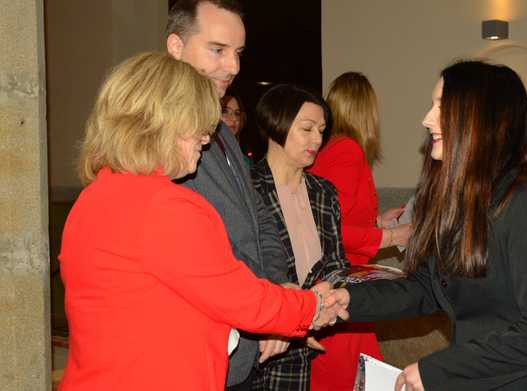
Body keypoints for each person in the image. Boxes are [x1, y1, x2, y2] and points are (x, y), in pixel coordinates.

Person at [58, 52, 344, 391]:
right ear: (161, 124)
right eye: (198, 125)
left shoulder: (95, 196)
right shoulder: (163, 205)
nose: (206, 139)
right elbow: (244, 299)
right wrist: (314, 305)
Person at [330, 60, 527, 391]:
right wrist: (347, 299)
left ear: (481, 120)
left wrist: (438, 370)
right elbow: (424, 288)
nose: (426, 119)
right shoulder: (459, 204)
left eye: (441, 107)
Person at [166, 1, 293, 388]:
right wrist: (276, 309)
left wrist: (279, 290)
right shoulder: (160, 138)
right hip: (191, 358)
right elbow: (198, 255)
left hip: (244, 350)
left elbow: (261, 222)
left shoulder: (221, 131)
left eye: (238, 53)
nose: (234, 67)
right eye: (218, 50)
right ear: (176, 47)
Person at [307, 71, 412, 390]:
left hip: (337, 285)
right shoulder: (348, 152)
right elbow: (328, 227)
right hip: (340, 286)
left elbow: (338, 214)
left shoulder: (332, 151)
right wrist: (393, 236)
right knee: (353, 378)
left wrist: (379, 222)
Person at [250, 84, 350, 391]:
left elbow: (336, 263)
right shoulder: (248, 187)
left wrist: (328, 297)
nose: (317, 140)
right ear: (275, 124)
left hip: (307, 345)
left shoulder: (324, 193)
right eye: (306, 129)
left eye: (321, 130)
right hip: (257, 344)